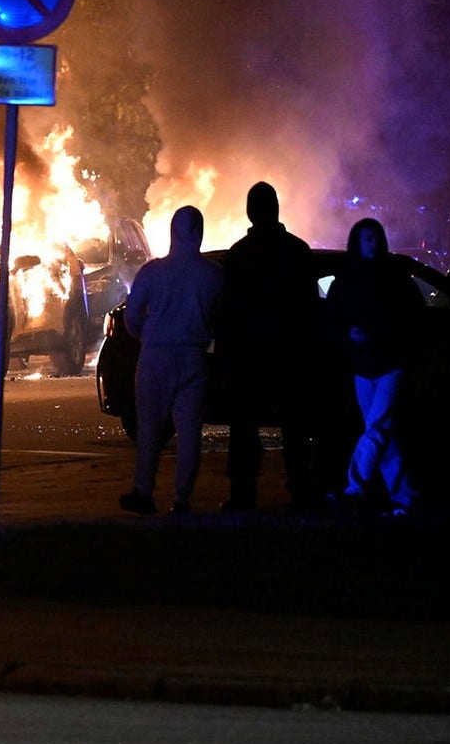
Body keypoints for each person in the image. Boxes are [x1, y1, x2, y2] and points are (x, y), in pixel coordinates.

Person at [215, 181, 326, 512]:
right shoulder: (298, 251)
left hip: (249, 358)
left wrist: (226, 358)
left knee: (244, 428)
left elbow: (228, 311)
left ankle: (242, 494)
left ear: (250, 212)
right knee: (295, 427)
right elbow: (310, 307)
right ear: (276, 209)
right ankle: (301, 489)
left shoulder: (237, 255)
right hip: (289, 355)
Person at [119, 204, 224, 515]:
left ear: (172, 233)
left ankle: (144, 492)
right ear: (200, 234)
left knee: (149, 429)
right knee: (189, 432)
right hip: (194, 358)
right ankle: (182, 499)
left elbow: (132, 315)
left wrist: (146, 338)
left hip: (155, 357)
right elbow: (220, 319)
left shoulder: (152, 272)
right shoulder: (213, 275)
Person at [324, 216, 421, 516]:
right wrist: (348, 336)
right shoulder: (346, 281)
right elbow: (332, 321)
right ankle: (404, 497)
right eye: (367, 238)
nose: (373, 242)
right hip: (362, 368)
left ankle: (354, 487)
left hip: (390, 365)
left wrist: (381, 335)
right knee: (382, 434)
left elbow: (412, 318)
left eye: (376, 237)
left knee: (377, 428)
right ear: (356, 242)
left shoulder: (395, 277)